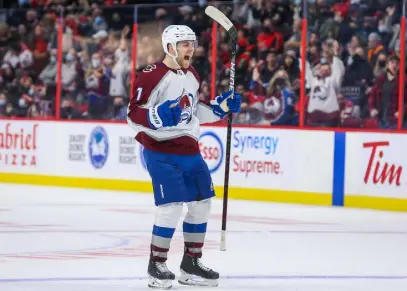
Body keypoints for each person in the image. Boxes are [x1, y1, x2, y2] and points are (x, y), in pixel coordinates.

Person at [127, 25, 241, 289]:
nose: (191, 48)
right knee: (171, 207)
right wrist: (155, 117)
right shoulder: (151, 75)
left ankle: (191, 263)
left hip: (190, 151)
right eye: (185, 44)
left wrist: (220, 109)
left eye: (193, 42)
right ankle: (156, 265)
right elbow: (133, 115)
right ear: (170, 47)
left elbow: (192, 111)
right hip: (160, 151)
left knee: (202, 204)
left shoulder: (191, 74)